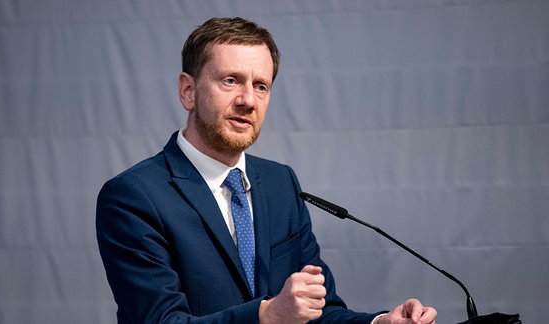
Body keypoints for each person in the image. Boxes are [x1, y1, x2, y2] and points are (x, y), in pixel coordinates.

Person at [96, 17, 437, 324]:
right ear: (188, 91)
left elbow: (319, 311)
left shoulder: (280, 183)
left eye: (261, 85)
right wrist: (267, 316)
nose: (249, 100)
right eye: (231, 80)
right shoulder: (133, 196)